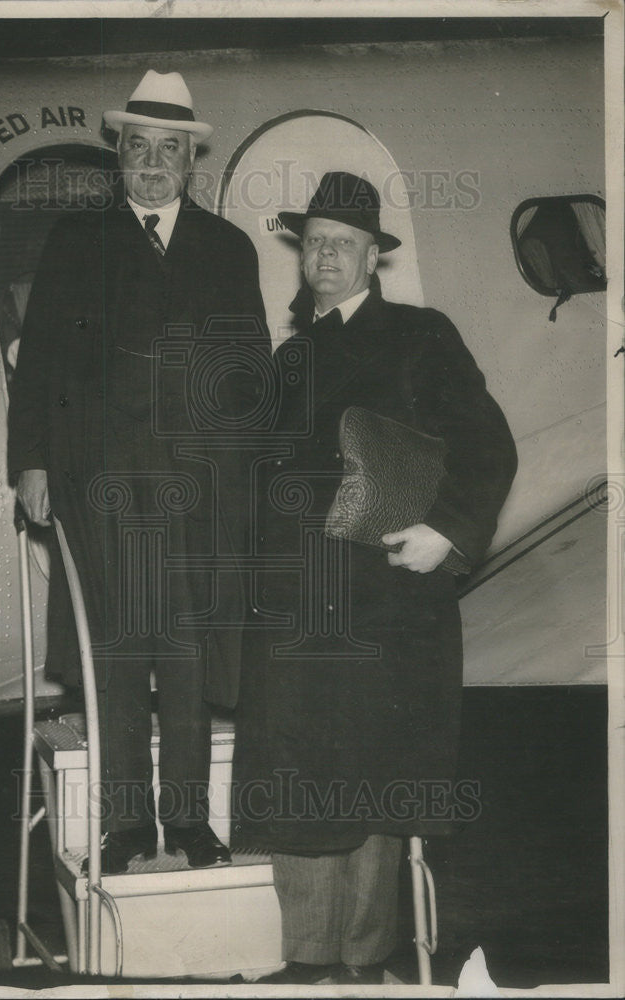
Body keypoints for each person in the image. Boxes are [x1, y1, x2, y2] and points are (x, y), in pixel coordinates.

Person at [231, 171, 517, 984]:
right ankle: (305, 958)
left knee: (371, 775)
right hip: (294, 599)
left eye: (344, 243)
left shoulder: (421, 336)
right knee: (297, 773)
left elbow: (486, 444)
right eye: (314, 240)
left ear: (372, 257)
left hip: (383, 596)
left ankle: (362, 961)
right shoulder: (289, 358)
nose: (326, 254)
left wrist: (448, 531)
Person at [8, 70, 267, 873]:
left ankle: (187, 820)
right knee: (116, 653)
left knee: (184, 651)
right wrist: (31, 461)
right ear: (118, 154)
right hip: (101, 482)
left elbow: (250, 371)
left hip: (194, 487)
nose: (153, 162)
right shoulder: (75, 240)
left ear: (190, 161)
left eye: (170, 150)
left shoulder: (227, 249)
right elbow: (39, 361)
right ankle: (124, 827)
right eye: (139, 147)